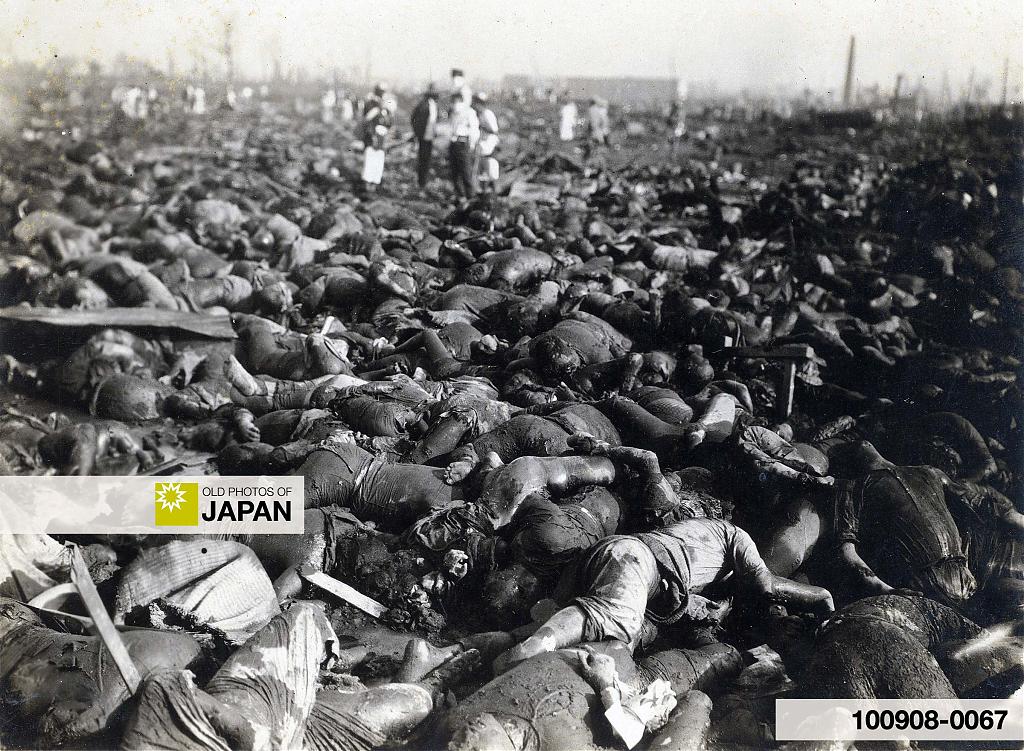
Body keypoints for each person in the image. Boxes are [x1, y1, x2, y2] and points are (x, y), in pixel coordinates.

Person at [359, 83, 394, 194]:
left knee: (378, 160)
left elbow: (389, 122)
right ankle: (367, 185)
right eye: (381, 93)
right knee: (370, 159)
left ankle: (374, 184)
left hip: (382, 137)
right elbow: (367, 121)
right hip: (372, 136)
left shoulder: (385, 108)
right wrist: (372, 134)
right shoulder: (370, 104)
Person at [447, 92, 479, 199]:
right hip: (453, 143)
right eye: (453, 102)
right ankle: (459, 196)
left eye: (457, 102)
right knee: (454, 172)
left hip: (463, 143)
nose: (454, 104)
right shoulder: (452, 113)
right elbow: (450, 128)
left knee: (466, 172)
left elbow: (474, 130)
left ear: (461, 102)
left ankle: (470, 197)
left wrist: (472, 145)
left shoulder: (469, 113)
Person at [411, 83, 439, 189]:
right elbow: (414, 118)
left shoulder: (434, 106)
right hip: (424, 136)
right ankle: (421, 182)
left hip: (429, 136)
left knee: (426, 159)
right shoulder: (424, 105)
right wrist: (417, 132)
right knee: (423, 159)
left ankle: (423, 182)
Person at [472, 92, 500, 193]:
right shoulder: (478, 114)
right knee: (481, 169)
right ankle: (482, 190)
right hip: (483, 144)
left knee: (491, 169)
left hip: (490, 143)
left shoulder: (488, 114)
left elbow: (494, 130)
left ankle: (493, 190)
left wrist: (482, 127)